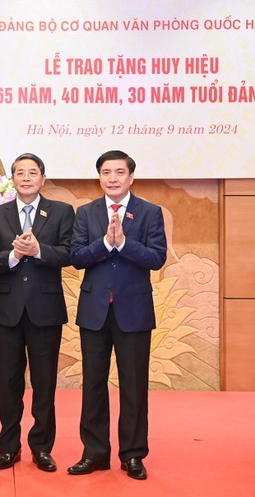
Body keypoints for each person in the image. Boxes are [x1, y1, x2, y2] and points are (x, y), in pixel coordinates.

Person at [67, 150, 167, 481]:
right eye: (106, 172)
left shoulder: (150, 213)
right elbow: (77, 257)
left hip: (134, 312)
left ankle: (133, 454)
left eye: (119, 172)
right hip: (95, 311)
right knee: (93, 385)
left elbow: (157, 258)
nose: (113, 178)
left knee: (134, 386)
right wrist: (105, 245)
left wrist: (124, 244)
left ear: (131, 178)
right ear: (99, 178)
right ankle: (94, 452)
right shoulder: (86, 213)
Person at [0, 153, 74, 472]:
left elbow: (69, 253)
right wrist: (12, 256)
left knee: (44, 383)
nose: (26, 177)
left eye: (32, 172)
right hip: (8, 310)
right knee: (8, 383)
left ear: (43, 178)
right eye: (19, 173)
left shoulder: (61, 212)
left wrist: (38, 251)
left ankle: (42, 447)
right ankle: (8, 447)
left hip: (45, 310)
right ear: (12, 179)